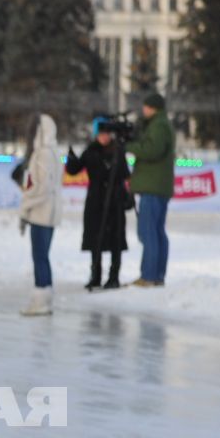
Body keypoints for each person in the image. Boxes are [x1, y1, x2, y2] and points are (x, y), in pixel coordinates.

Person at [67, 117, 131, 292]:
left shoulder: (118, 151)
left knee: (115, 239)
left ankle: (114, 276)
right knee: (96, 238)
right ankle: (95, 275)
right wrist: (70, 159)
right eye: (101, 134)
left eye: (106, 134)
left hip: (114, 201)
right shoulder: (91, 151)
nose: (104, 138)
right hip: (96, 201)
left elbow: (125, 173)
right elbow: (74, 169)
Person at [128, 92, 175, 287]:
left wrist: (130, 146)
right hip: (157, 185)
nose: (143, 110)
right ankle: (156, 275)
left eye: (146, 107)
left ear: (153, 107)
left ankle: (149, 275)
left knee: (149, 232)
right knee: (156, 231)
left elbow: (152, 150)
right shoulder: (160, 124)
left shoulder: (159, 125)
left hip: (153, 186)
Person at [17, 114, 62, 317]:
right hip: (45, 213)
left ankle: (42, 299)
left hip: (42, 214)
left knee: (40, 257)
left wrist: (26, 206)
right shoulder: (50, 152)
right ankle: (42, 297)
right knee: (41, 256)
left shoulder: (44, 154)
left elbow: (42, 187)